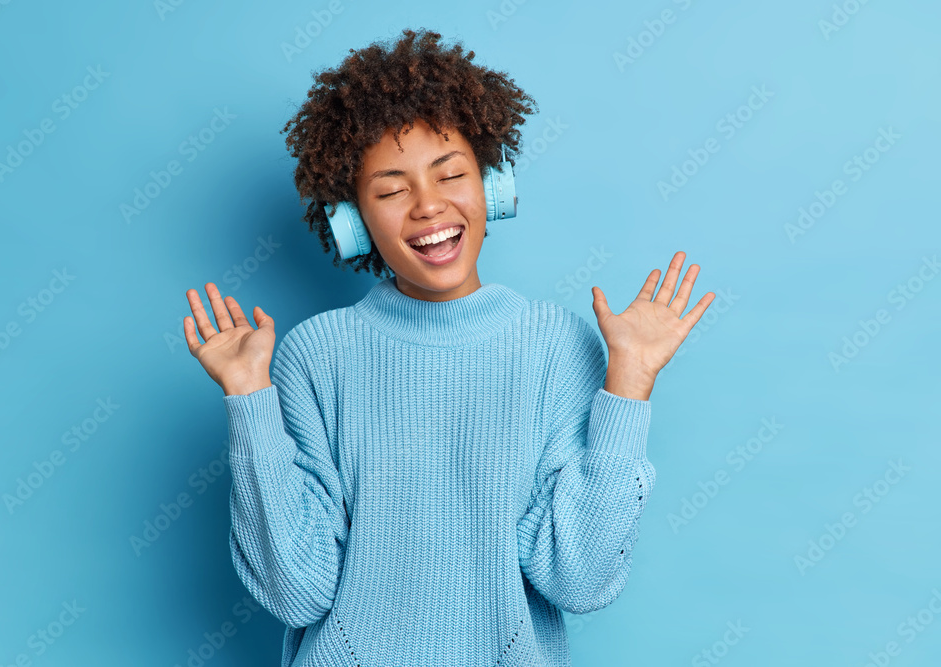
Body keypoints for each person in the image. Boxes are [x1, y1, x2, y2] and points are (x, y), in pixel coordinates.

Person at [184, 27, 714, 667]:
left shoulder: (558, 345)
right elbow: (297, 591)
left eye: (450, 174)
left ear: (494, 185)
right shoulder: (314, 356)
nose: (428, 207)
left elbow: (582, 580)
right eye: (389, 190)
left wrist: (629, 381)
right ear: (351, 220)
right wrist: (250, 400)